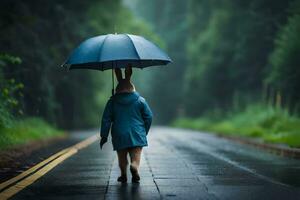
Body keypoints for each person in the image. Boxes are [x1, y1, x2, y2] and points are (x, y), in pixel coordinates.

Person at [100, 66, 153, 183]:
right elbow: (149, 116)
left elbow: (106, 119)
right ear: (131, 87)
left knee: (122, 156)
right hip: (137, 132)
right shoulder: (140, 100)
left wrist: (104, 135)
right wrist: (144, 131)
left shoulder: (112, 101)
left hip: (119, 132)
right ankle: (134, 166)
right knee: (136, 153)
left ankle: (123, 174)